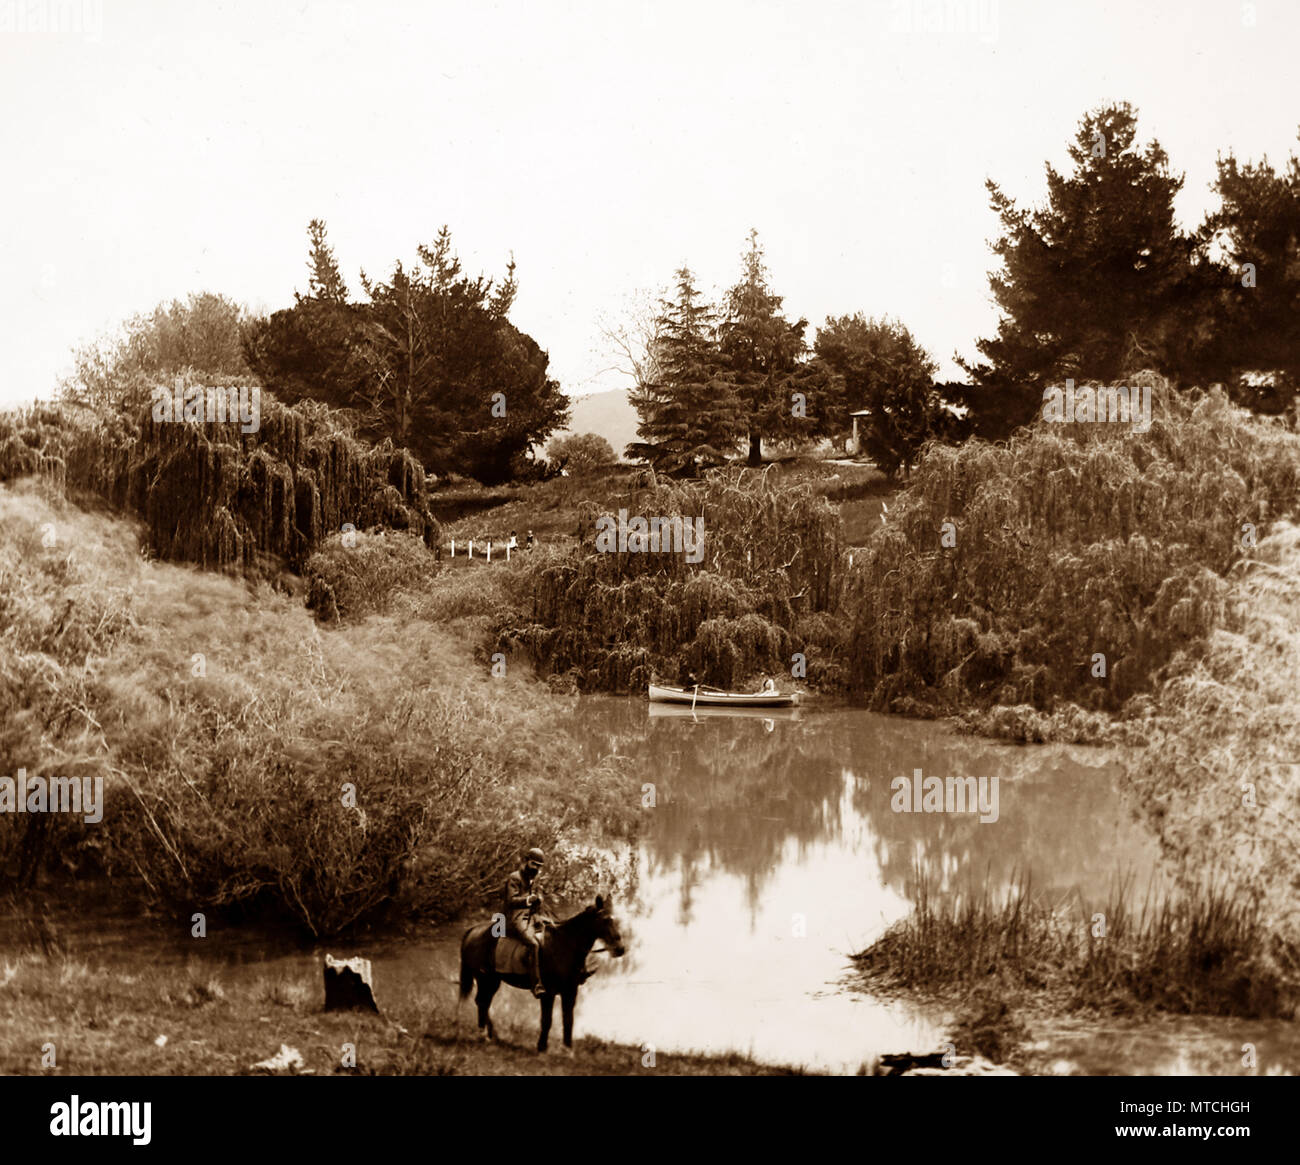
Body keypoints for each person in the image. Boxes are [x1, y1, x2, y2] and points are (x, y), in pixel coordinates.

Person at [503, 847, 547, 996]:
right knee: (533, 944)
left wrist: (540, 899)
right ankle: (536, 984)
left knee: (552, 931)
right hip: (516, 917)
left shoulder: (536, 878)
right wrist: (528, 900)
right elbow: (510, 900)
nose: (536, 868)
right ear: (526, 861)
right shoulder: (514, 877)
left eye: (539, 866)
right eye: (534, 864)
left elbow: (539, 892)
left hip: (533, 915)